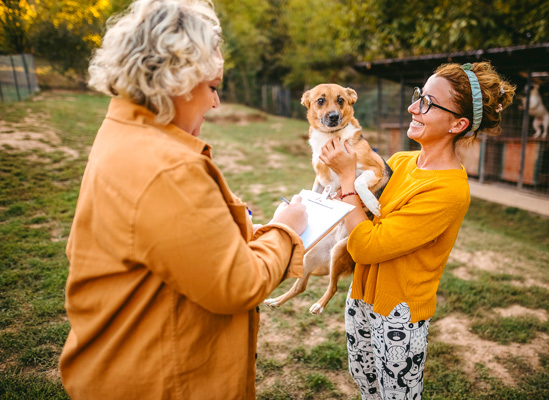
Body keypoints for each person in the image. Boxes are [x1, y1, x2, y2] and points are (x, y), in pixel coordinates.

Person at [59, 0, 307, 399]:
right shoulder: (168, 168)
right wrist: (285, 229)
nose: (215, 103)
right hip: (161, 382)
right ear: (177, 78)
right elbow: (238, 284)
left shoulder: (120, 129)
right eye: (211, 87)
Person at [319, 61, 515, 399]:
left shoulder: (449, 191)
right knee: (365, 384)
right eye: (417, 96)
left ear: (458, 123)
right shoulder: (400, 162)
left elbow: (366, 246)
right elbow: (357, 217)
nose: (413, 107)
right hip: (361, 297)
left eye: (427, 102)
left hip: (398, 317)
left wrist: (349, 180)